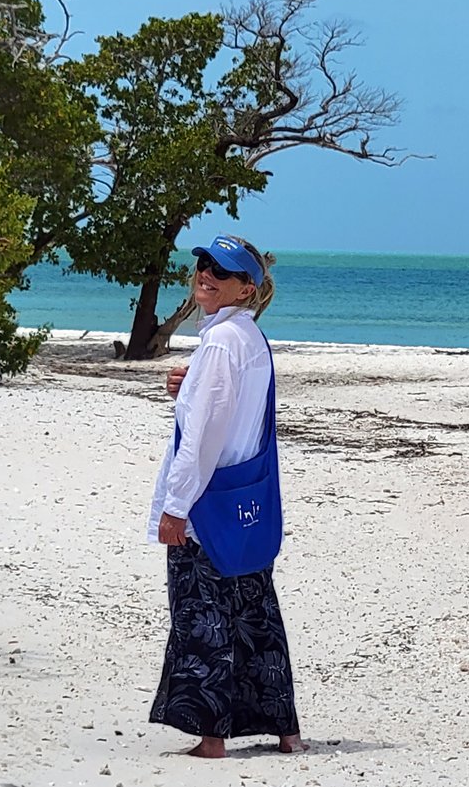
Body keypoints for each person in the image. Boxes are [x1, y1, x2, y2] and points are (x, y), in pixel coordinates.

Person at [146, 234, 306, 758]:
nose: (206, 275)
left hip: (209, 504)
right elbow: (236, 410)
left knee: (202, 617)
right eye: (203, 265)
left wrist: (175, 506)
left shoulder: (219, 342)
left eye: (222, 271)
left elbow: (204, 435)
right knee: (255, 615)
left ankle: (211, 739)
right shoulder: (249, 338)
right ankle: (286, 731)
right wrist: (190, 384)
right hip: (246, 502)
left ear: (246, 288)